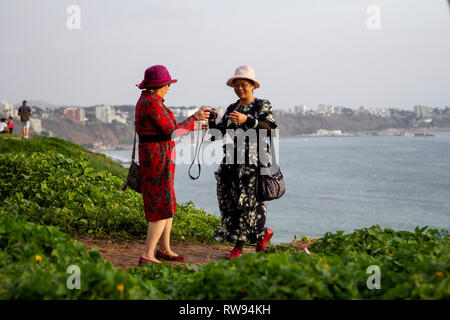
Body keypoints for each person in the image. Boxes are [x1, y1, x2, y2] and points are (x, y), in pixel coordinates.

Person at [135, 65, 211, 266]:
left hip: (159, 156)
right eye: (168, 83)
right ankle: (148, 254)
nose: (169, 87)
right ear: (160, 85)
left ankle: (164, 249)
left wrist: (195, 123)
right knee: (161, 205)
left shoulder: (151, 101)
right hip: (156, 158)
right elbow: (172, 131)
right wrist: (194, 119)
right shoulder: (151, 103)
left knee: (167, 203)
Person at [208, 65, 278, 259]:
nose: (240, 88)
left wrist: (247, 119)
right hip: (232, 161)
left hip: (254, 161)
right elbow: (216, 135)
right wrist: (213, 120)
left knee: (245, 201)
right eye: (236, 85)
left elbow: (269, 127)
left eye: (244, 84)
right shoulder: (232, 108)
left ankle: (238, 248)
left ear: (252, 86)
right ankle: (262, 234)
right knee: (228, 199)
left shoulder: (261, 105)